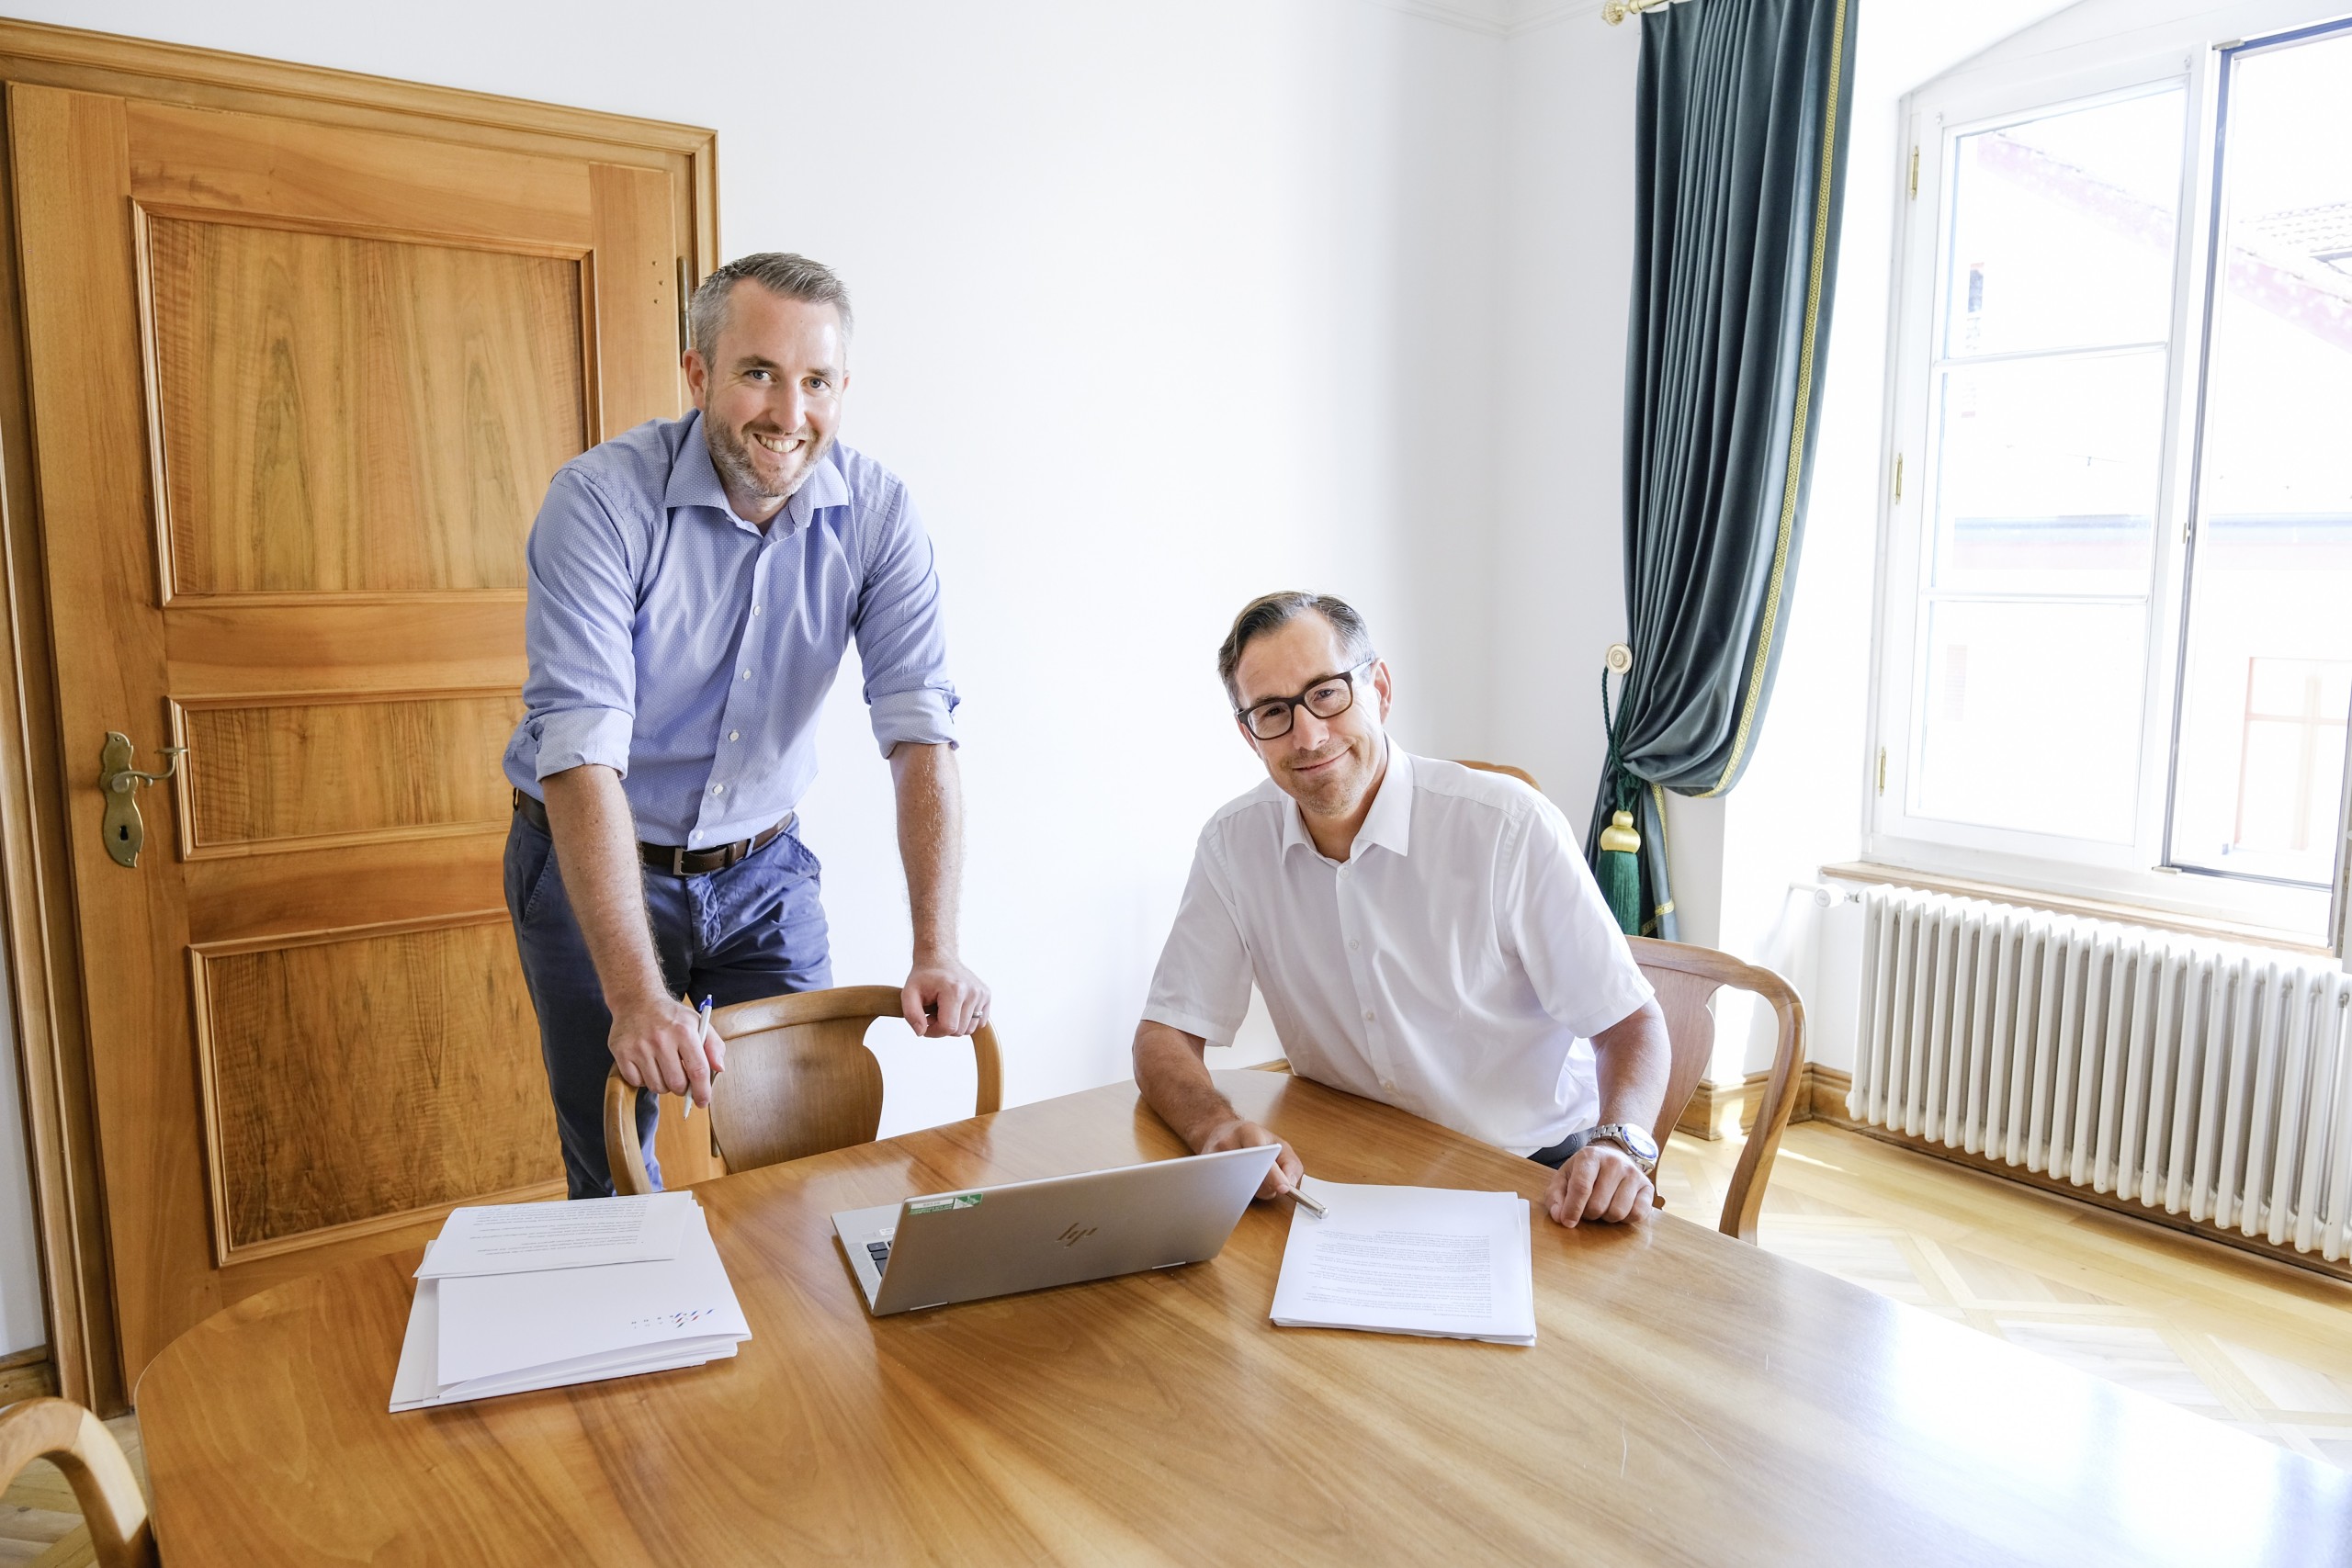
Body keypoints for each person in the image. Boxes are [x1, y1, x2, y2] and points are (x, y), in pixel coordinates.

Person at [503, 252, 989, 1199]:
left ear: (843, 389)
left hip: (763, 870)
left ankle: (789, 1341)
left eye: (815, 382)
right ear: (698, 374)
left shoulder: (879, 513)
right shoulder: (601, 502)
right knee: (611, 1167)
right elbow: (581, 754)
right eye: (757, 373)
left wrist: (936, 943)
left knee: (803, 1156)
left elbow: (921, 728)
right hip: (594, 863)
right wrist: (640, 998)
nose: (787, 413)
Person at [1132, 592, 1673, 1226]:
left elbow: (1630, 1024)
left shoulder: (1507, 826)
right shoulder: (1232, 843)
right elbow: (1163, 1034)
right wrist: (1214, 1127)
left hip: (1531, 1173)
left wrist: (1621, 1143)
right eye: (1273, 712)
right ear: (1250, 736)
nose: (1308, 735)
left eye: (1327, 693)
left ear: (1379, 689)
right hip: (1343, 1161)